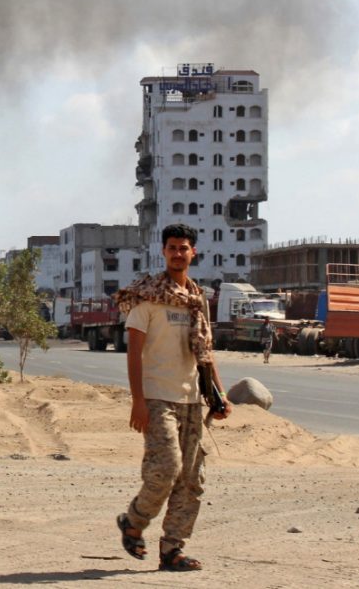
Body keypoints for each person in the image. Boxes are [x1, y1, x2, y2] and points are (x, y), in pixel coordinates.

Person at [112, 222, 230, 572]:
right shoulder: (147, 297)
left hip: (192, 398)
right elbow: (133, 353)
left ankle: (172, 549)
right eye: (172, 248)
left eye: (184, 248)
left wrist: (219, 394)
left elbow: (205, 351)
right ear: (163, 252)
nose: (178, 253)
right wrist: (137, 400)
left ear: (193, 252)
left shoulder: (198, 300)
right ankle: (133, 521)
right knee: (166, 468)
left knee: (191, 478)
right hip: (157, 397)